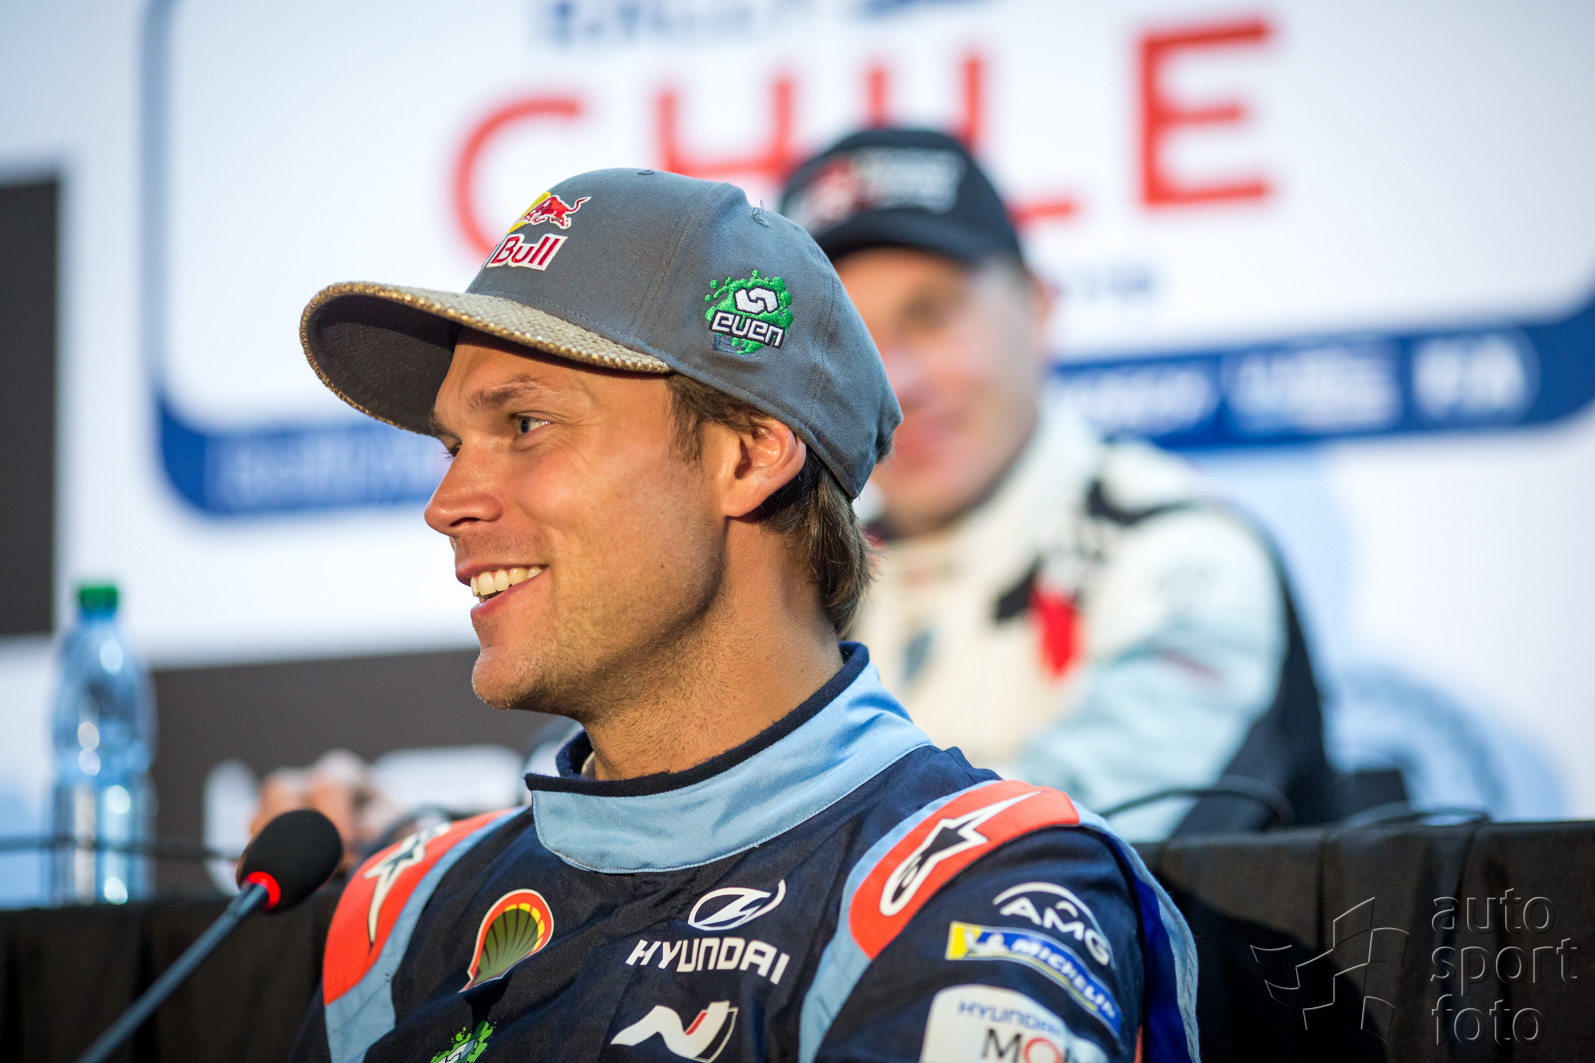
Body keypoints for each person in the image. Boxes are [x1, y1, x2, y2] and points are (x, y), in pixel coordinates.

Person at [288, 169, 1198, 1063]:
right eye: (454, 443)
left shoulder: (987, 885)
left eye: (526, 424)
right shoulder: (402, 912)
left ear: (749, 454)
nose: (446, 504)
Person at [780, 129, 1336, 840]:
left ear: (1038, 309)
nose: (895, 382)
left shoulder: (1181, 551)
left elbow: (1059, 850)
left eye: (930, 315)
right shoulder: (799, 571)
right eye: (845, 338)